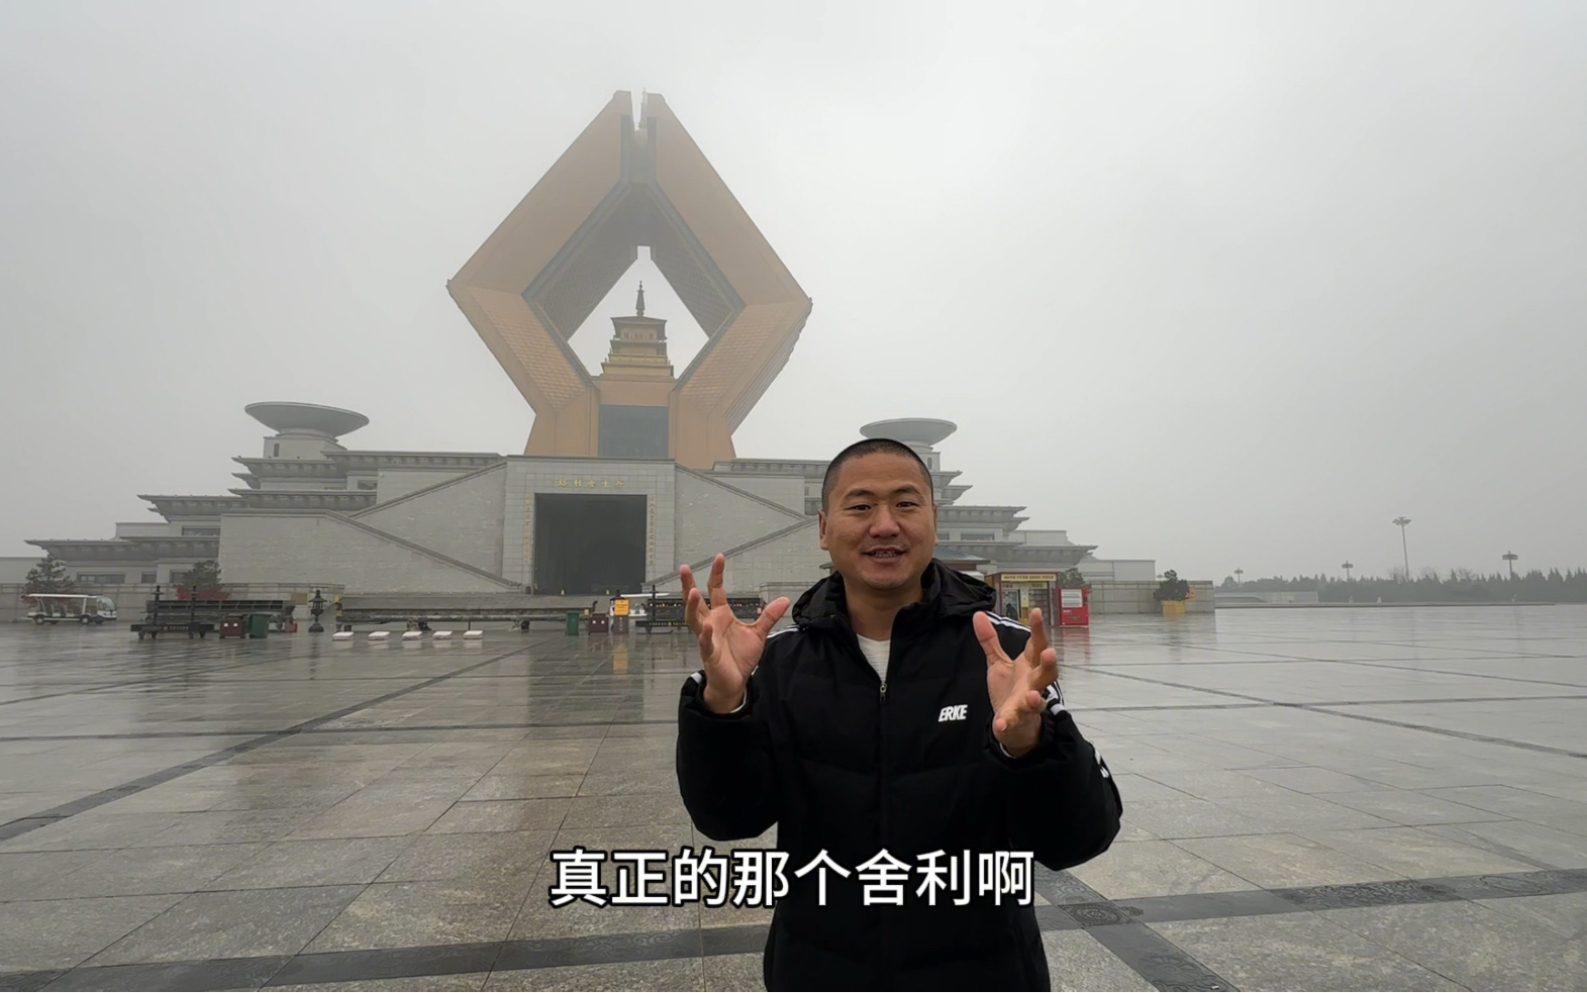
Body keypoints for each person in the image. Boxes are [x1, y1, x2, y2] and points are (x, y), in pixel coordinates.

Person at [675, 437, 1122, 990]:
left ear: (934, 520)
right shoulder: (779, 664)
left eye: (906, 504)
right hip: (819, 972)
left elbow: (1078, 839)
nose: (884, 525)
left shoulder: (1004, 658)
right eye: (860, 506)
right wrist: (724, 708)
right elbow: (728, 818)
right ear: (822, 527)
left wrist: (1030, 745)